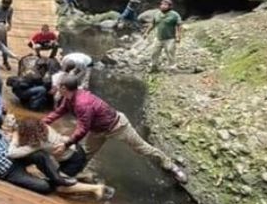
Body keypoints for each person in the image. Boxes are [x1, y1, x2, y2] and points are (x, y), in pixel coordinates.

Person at [44, 75, 188, 184]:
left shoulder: (82, 103)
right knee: (86, 154)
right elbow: (59, 112)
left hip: (118, 126)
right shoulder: (69, 98)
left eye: (58, 86)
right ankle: (75, 175)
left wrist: (66, 144)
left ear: (64, 88)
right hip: (98, 131)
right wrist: (42, 123)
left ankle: (170, 166)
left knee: (142, 148)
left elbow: (82, 128)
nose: (56, 87)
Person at [0, 113, 78, 194]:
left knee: (40, 154)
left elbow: (5, 137)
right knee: (44, 187)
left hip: (15, 158)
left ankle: (58, 179)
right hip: (8, 172)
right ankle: (51, 183)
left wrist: (11, 137)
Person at [8, 118, 111, 200]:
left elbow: (12, 153)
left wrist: (14, 139)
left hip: (73, 161)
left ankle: (96, 188)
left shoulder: (38, 144)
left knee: (60, 187)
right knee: (56, 173)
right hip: (75, 150)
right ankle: (85, 176)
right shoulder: (44, 128)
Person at [143, 0, 184, 72]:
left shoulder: (174, 14)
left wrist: (178, 36)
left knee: (170, 52)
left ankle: (172, 67)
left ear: (170, 6)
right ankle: (153, 66)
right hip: (158, 38)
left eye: (165, 5)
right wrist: (146, 33)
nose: (162, 6)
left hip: (170, 38)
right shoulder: (157, 14)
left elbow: (179, 25)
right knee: (154, 52)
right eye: (162, 4)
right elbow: (152, 24)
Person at [0, 0, 14, 70]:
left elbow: (9, 18)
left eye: (8, 5)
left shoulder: (10, 9)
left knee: (4, 44)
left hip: (3, 26)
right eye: (5, 4)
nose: (6, 6)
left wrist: (10, 25)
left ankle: (5, 61)